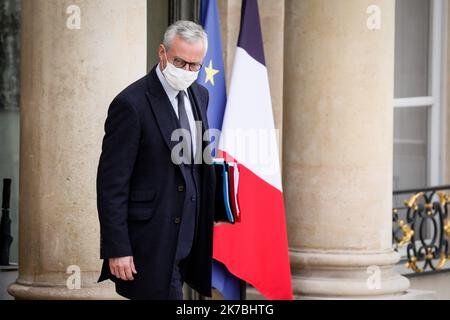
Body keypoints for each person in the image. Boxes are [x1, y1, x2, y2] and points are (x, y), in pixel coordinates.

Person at [96, 20, 216, 300]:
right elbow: (111, 184)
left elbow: (195, 163)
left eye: (194, 65)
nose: (187, 71)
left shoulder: (201, 94)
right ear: (162, 53)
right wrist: (118, 248)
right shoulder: (131, 103)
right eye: (179, 61)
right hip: (150, 240)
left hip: (191, 236)